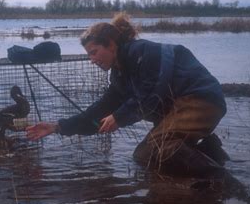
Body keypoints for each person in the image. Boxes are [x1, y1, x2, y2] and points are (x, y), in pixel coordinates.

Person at [26, 12, 229, 179]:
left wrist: (120, 117)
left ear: (112, 45)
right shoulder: (120, 75)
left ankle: (222, 180)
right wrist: (57, 127)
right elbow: (98, 111)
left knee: (149, 152)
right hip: (185, 105)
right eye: (89, 54)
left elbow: (151, 92)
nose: (92, 60)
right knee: (145, 155)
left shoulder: (141, 52)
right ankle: (211, 151)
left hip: (201, 100)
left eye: (94, 52)